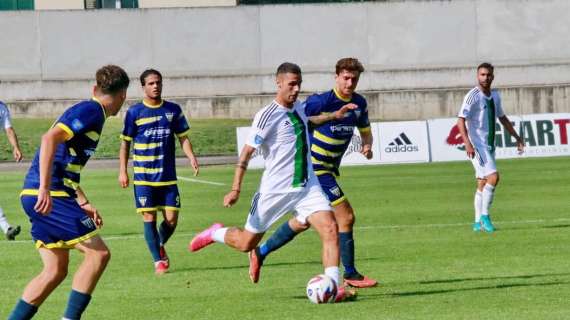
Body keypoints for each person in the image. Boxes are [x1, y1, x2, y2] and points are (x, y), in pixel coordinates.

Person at [188, 62, 355, 301]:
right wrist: (235, 188)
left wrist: (333, 116)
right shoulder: (267, 115)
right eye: (292, 84)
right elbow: (246, 153)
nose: (296, 89)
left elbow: (310, 120)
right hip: (274, 192)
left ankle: (334, 287)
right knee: (246, 242)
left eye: (299, 84)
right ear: (279, 83)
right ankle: (215, 233)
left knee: (330, 228)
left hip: (307, 187)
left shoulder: (298, 107)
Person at [8, 65, 130, 320]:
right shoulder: (91, 110)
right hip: (48, 194)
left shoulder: (91, 112)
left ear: (95, 88)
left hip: (46, 193)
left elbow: (65, 166)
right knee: (98, 254)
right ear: (123, 96)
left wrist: (83, 201)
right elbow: (48, 139)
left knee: (55, 270)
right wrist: (44, 188)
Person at [248, 57, 377, 288]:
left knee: (302, 221)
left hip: (328, 169)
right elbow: (296, 120)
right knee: (345, 217)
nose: (350, 83)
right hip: (316, 168)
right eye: (345, 78)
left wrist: (367, 145)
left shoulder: (359, 103)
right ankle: (350, 274)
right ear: (336, 76)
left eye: (354, 79)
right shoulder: (320, 101)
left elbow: (365, 131)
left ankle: (260, 252)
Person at [119, 69, 198, 275]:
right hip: (144, 177)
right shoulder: (134, 112)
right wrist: (123, 171)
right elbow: (125, 144)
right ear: (143, 87)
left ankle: (158, 243)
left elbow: (183, 137)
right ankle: (158, 261)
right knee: (149, 219)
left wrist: (191, 156)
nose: (156, 86)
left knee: (172, 220)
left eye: (158, 83)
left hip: (167, 177)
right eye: (151, 83)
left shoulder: (173, 110)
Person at [457, 62, 524, 232]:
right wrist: (468, 143)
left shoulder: (495, 96)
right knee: (494, 177)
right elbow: (460, 120)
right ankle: (486, 217)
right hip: (477, 144)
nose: (485, 78)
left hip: (490, 144)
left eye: (488, 75)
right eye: (482, 75)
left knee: (482, 182)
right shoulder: (472, 96)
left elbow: (502, 118)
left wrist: (516, 137)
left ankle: (477, 222)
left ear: (492, 77)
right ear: (477, 76)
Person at [0, 100, 23, 240]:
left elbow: (8, 129)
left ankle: (6, 228)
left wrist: (16, 147)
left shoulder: (2, 107)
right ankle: (5, 227)